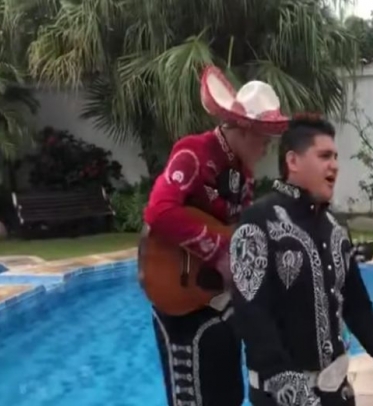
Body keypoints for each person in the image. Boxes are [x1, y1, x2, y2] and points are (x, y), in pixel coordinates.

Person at [229, 115, 373, 406]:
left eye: (336, 157)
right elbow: (251, 315)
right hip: (279, 398)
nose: (335, 165)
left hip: (336, 393)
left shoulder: (333, 228)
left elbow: (359, 310)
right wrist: (292, 389)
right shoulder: (258, 221)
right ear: (293, 161)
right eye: (324, 156)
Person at [143, 65, 290, 406]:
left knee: (226, 394)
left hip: (219, 302)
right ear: (243, 128)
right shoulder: (194, 152)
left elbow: (241, 233)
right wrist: (220, 251)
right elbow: (159, 211)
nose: (268, 148)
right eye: (264, 139)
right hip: (180, 295)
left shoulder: (244, 174)